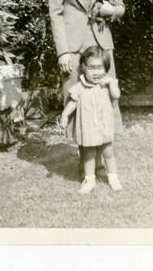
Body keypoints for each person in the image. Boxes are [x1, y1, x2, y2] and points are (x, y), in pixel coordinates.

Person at [48, 0, 125, 179]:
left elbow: (120, 7)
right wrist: (63, 51)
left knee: (104, 101)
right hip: (72, 47)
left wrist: (110, 9)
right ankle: (86, 166)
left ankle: (104, 164)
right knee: (76, 99)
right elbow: (55, 14)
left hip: (101, 46)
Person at [60, 46, 122, 194]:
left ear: (106, 68)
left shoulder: (107, 84)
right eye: (91, 68)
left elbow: (116, 95)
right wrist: (65, 115)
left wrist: (112, 83)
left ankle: (113, 178)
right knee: (89, 155)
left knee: (108, 152)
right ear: (83, 67)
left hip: (104, 125)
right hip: (88, 128)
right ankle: (90, 180)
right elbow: (73, 102)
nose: (96, 72)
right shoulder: (80, 87)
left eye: (100, 68)